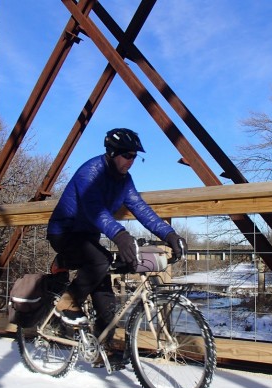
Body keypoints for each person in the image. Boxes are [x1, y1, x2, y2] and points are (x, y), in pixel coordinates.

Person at [46, 128, 187, 339]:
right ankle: (67, 303)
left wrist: (170, 235)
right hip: (65, 231)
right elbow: (94, 209)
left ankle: (105, 342)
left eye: (134, 157)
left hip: (88, 237)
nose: (131, 161)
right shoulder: (90, 172)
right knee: (100, 261)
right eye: (127, 155)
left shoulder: (124, 180)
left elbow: (141, 209)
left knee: (104, 281)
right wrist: (121, 236)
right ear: (112, 152)